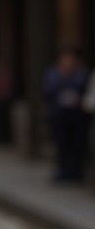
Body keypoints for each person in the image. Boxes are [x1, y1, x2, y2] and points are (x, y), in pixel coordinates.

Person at [42, 47, 91, 183]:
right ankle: (63, 171)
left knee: (77, 145)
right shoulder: (54, 73)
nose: (67, 62)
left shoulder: (81, 73)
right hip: (60, 115)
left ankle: (75, 172)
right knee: (62, 145)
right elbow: (48, 90)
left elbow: (84, 89)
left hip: (78, 116)